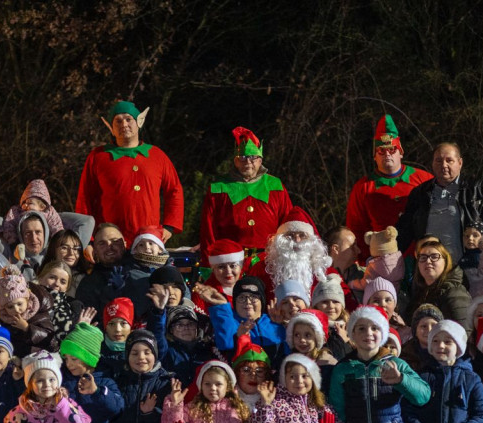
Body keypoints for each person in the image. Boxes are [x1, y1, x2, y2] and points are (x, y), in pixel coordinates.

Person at [75, 100, 184, 245]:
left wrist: (169, 226)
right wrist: (88, 239)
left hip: (149, 240)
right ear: (111, 127)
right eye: (118, 121)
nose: (124, 125)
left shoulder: (157, 155)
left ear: (139, 122)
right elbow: (85, 198)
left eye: (128, 119)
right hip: (110, 242)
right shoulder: (98, 157)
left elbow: (174, 190)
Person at [345, 115, 433, 262]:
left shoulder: (424, 179)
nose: (387, 154)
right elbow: (357, 230)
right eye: (381, 150)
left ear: (401, 152)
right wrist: (367, 260)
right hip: (382, 261)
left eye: (392, 149)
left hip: (422, 259)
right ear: (375, 155)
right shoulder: (363, 188)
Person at [396, 143, 483, 260]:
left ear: (460, 163)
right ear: (432, 163)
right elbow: (405, 230)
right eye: (438, 160)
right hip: (430, 265)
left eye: (449, 160)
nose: (444, 165)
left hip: (469, 266)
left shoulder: (481, 190)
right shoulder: (420, 193)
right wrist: (387, 255)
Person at [199, 127, 294, 260]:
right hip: (232, 261)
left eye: (252, 157)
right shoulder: (218, 188)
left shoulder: (275, 185)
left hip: (269, 259)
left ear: (260, 160)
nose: (248, 162)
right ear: (236, 161)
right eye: (242, 157)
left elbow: (289, 223)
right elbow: (208, 230)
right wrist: (208, 263)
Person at [0, 266, 57, 356]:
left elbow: (52, 343)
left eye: (19, 304)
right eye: (10, 307)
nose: (16, 310)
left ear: (27, 299)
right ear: (3, 307)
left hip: (38, 359)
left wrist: (27, 328)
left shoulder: (40, 314)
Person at [247, 215, 330, 296]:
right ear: (279, 240)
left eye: (302, 235)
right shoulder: (261, 269)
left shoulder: (323, 271)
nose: (297, 240)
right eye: (290, 235)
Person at [405, 239, 472, 334]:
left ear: (446, 261)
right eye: (423, 257)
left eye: (434, 256)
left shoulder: (455, 293)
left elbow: (465, 334)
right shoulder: (420, 294)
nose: (428, 261)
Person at [76, 224, 131, 314]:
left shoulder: (141, 269)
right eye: (102, 243)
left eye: (115, 241)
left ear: (124, 244)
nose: (109, 246)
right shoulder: (88, 284)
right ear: (95, 251)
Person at [0, 179, 66, 249]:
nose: (25, 205)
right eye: (24, 202)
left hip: (43, 245)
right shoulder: (17, 211)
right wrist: (13, 241)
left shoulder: (49, 212)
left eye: (30, 203)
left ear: (42, 207)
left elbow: (56, 226)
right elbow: (9, 225)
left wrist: (59, 240)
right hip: (20, 243)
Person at [43, 230, 88, 297]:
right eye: (64, 248)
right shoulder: (42, 273)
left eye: (75, 249)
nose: (71, 253)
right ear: (53, 250)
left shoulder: (84, 280)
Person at [10, 211, 51, 279]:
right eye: (28, 233)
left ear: (45, 234)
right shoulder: (13, 258)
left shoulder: (54, 255)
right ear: (21, 236)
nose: (33, 238)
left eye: (38, 232)